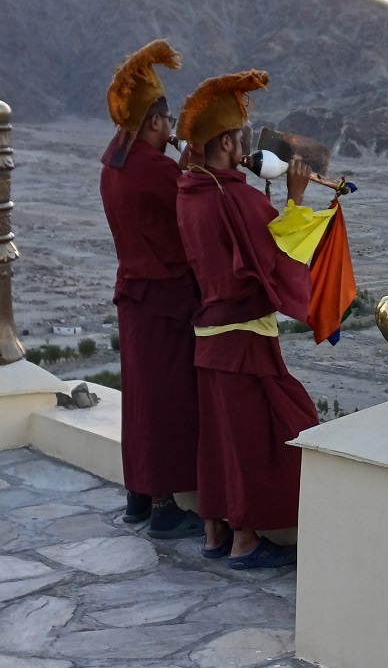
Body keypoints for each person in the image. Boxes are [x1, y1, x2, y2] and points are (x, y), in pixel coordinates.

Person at [176, 70, 320, 570]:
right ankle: (244, 539)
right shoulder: (233, 196)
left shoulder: (190, 189)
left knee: (217, 436)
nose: (243, 144)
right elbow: (276, 256)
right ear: (225, 141)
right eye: (238, 136)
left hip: (207, 336)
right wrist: (297, 198)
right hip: (243, 338)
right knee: (260, 436)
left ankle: (214, 531)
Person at [100, 39, 203, 539]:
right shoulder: (157, 170)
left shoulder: (112, 166)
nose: (170, 133)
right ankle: (164, 507)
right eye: (165, 124)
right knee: (165, 399)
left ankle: (138, 495)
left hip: (132, 296)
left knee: (139, 396)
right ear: (155, 123)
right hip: (165, 298)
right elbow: (189, 218)